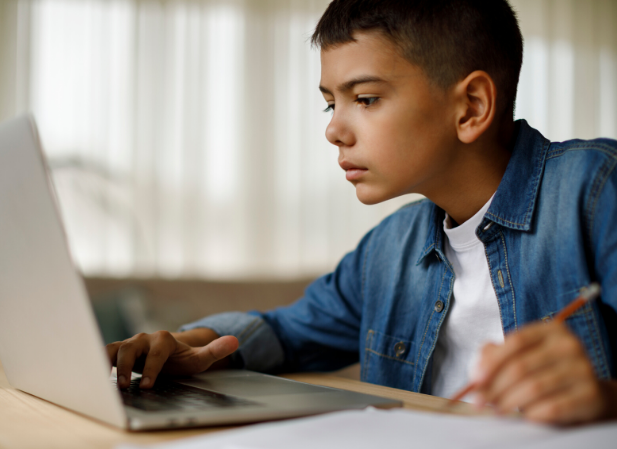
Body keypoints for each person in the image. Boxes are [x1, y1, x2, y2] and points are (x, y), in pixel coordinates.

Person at [106, 0, 617, 424]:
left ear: (472, 108)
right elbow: (285, 332)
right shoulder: (390, 248)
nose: (334, 130)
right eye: (331, 104)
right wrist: (190, 342)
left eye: (366, 99)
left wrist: (605, 398)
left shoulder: (595, 191)